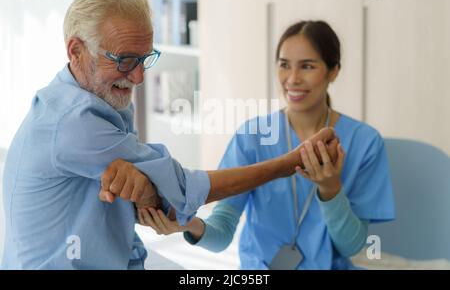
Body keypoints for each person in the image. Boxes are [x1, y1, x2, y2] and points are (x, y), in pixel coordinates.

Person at [1, 0, 338, 270]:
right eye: (125, 60)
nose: (138, 77)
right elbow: (181, 187)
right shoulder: (74, 123)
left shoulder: (98, 99)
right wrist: (287, 164)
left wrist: (148, 188)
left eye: (145, 58)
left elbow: (158, 189)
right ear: (77, 50)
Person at [138, 21, 396, 270]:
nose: (292, 79)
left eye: (307, 66)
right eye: (284, 65)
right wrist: (188, 225)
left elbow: (352, 246)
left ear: (333, 71)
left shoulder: (364, 142)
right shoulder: (252, 136)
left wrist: (330, 190)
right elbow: (223, 231)